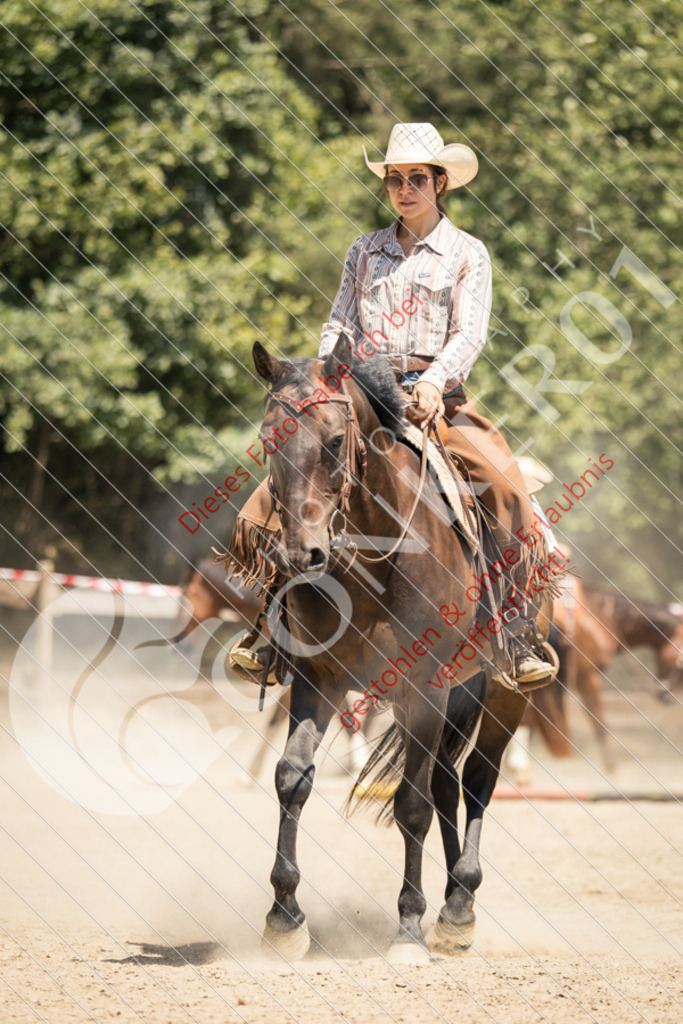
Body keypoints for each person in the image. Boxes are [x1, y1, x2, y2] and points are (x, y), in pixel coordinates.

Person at [229, 122, 552, 684]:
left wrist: (435, 382)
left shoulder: (466, 254)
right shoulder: (364, 249)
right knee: (277, 491)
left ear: (440, 183)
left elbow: (470, 333)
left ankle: (515, 632)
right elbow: (339, 322)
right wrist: (325, 378)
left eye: (417, 178)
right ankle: (272, 630)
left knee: (502, 485)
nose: (405, 189)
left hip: (437, 397)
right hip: (361, 393)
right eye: (395, 179)